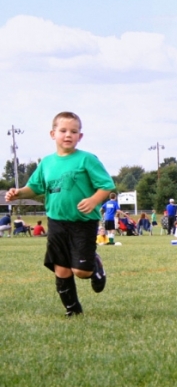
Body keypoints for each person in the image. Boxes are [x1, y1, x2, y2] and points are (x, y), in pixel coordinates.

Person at [4, 111, 113, 316]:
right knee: (61, 268)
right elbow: (34, 187)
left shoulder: (86, 159)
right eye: (63, 130)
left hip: (83, 222)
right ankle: (73, 310)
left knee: (81, 272)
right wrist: (18, 193)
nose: (68, 135)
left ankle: (95, 263)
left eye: (74, 131)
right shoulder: (47, 163)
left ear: (80, 136)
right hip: (56, 222)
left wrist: (93, 200)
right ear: (52, 134)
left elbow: (106, 186)